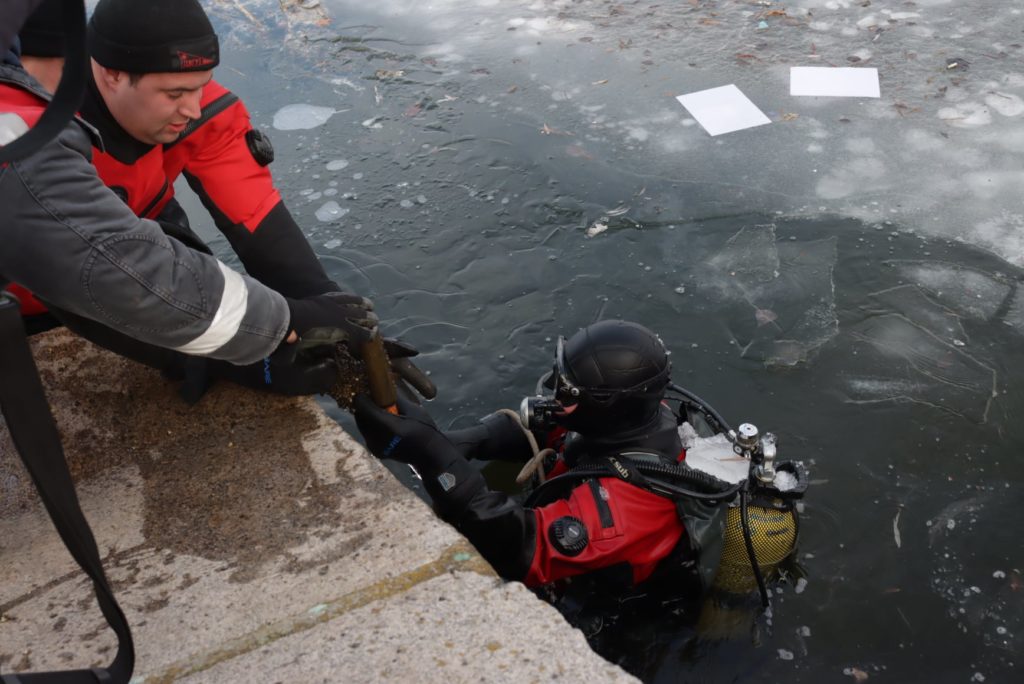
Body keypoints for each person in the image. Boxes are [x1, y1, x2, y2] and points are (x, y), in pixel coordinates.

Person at [9, 0, 434, 400]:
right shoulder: (30, 144)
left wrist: (348, 338)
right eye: (175, 94)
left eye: (200, 87)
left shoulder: (195, 108)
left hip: (139, 240)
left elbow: (263, 230)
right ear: (111, 74)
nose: (192, 108)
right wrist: (239, 361)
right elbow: (106, 272)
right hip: (28, 301)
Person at [355, 320, 739, 594]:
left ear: (608, 407)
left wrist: (435, 458)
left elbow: (520, 550)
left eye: (567, 390)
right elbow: (540, 427)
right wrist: (465, 441)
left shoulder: (628, 510)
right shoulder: (628, 420)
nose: (555, 394)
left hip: (610, 607)